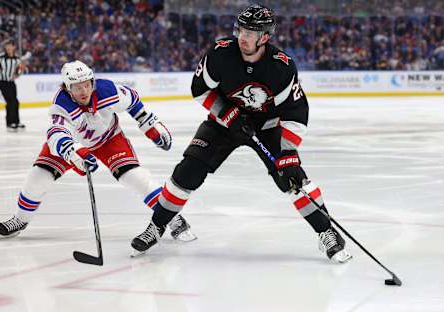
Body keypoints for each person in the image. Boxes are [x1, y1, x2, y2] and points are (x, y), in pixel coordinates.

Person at [130, 4, 352, 263]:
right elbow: (200, 88)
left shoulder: (282, 67)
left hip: (267, 127)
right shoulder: (220, 53)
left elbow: (296, 111)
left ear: (265, 37)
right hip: (225, 123)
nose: (242, 37)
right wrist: (226, 113)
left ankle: (327, 232)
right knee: (187, 172)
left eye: (250, 32)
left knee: (292, 179)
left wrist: (289, 153)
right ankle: (156, 226)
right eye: (240, 29)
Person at [0, 60, 196, 247]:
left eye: (87, 84)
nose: (83, 91)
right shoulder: (62, 104)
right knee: (37, 178)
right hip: (73, 144)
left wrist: (150, 125)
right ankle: (20, 219)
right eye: (77, 86)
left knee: (136, 179)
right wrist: (74, 154)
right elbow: (56, 134)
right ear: (67, 88)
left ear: (92, 82)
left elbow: (133, 101)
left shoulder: (107, 90)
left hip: (109, 139)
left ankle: (173, 219)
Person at [0, 40, 25, 132]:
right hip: (2, 82)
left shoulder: (17, 59)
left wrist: (17, 75)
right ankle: (10, 123)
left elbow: (21, 69)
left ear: (14, 47)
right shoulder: (0, 57)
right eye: (7, 46)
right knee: (10, 101)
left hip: (11, 82)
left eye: (10, 46)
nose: (9, 48)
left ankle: (16, 122)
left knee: (16, 102)